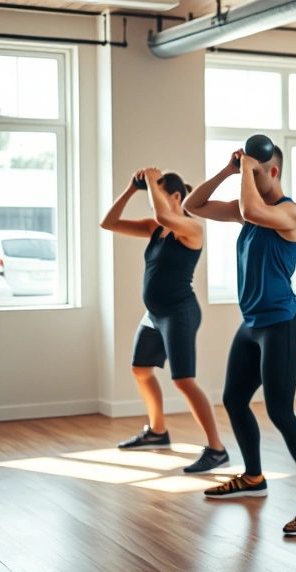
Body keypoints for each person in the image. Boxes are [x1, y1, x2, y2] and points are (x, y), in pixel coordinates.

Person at [184, 145, 296, 537]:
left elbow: (252, 210)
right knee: (234, 399)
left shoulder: (290, 213)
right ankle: (253, 477)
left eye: (255, 173)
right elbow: (193, 204)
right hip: (252, 324)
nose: (246, 180)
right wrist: (227, 169)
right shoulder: (247, 209)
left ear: (273, 172)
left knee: (281, 412)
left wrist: (248, 172)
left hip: (283, 324)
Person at [100, 168, 228, 474]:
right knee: (140, 369)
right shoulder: (155, 228)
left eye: (157, 193)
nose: (153, 201)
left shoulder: (191, 228)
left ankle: (217, 449)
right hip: (154, 315)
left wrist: (152, 182)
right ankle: (157, 431)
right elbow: (109, 223)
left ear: (176, 197)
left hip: (179, 312)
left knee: (184, 380)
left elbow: (164, 216)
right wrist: (133, 189)